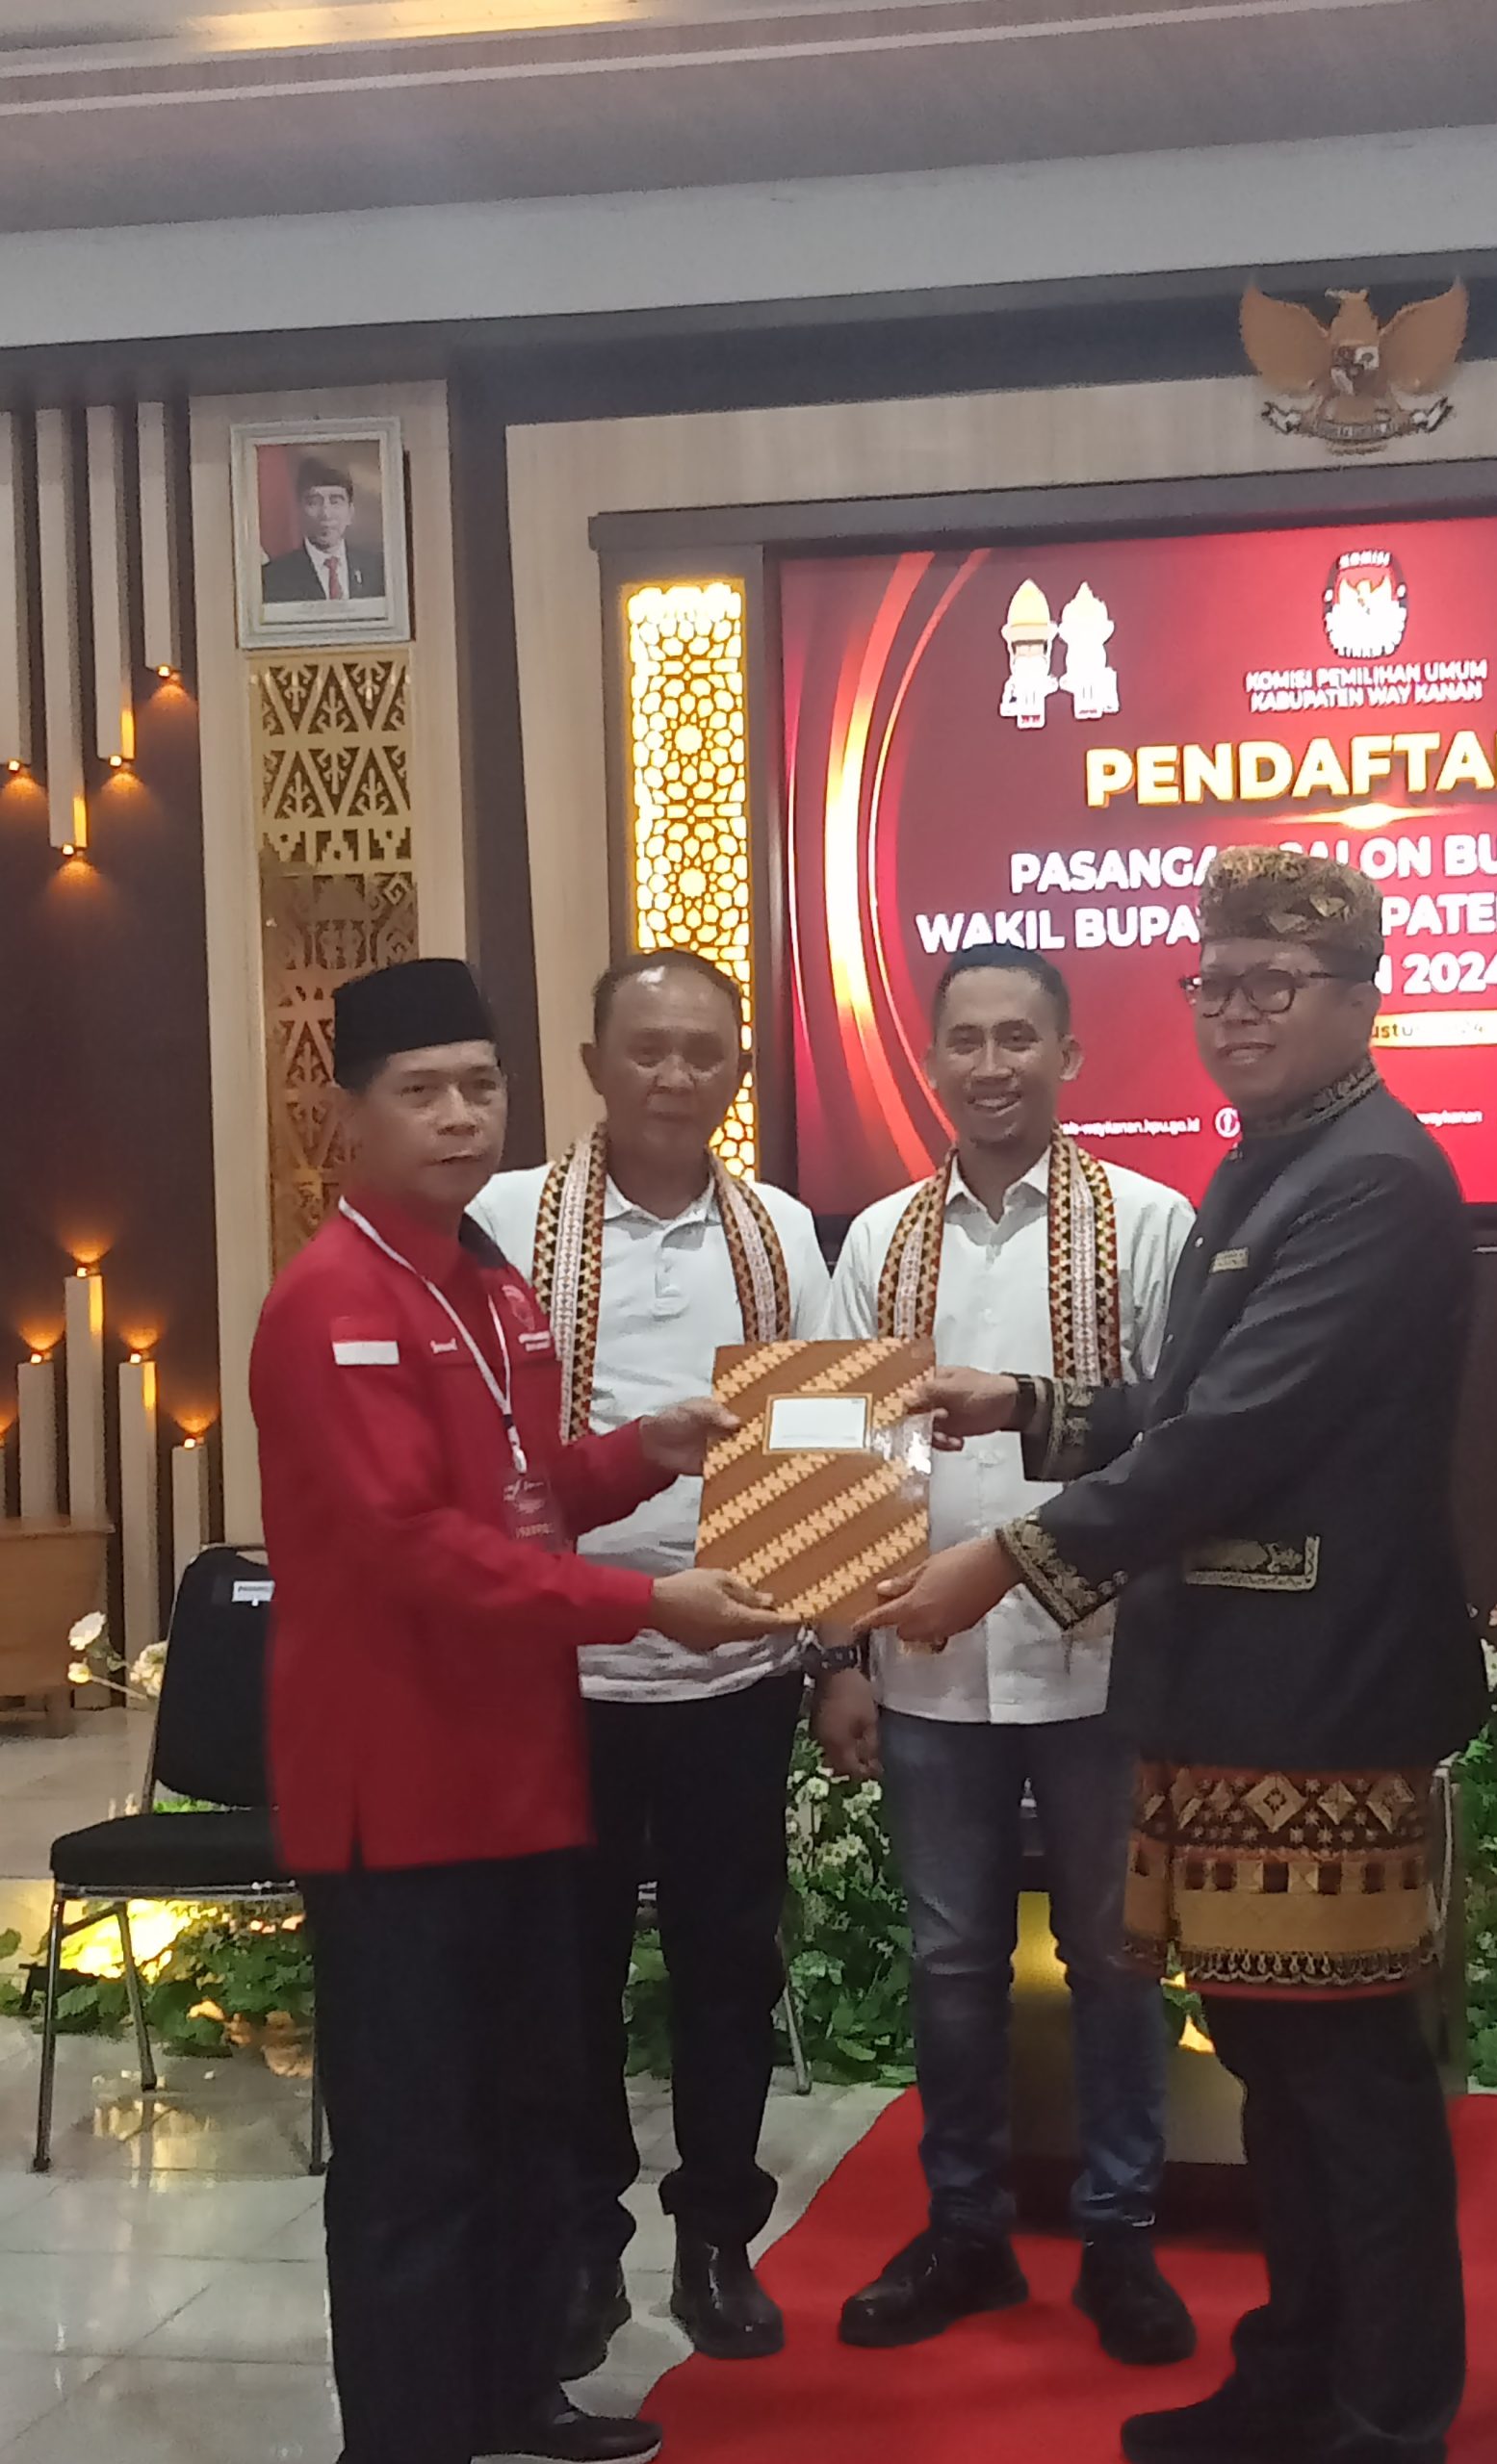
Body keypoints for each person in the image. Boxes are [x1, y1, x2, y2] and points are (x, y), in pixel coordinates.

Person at [865, 851, 1484, 2464]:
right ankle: (1294, 2372)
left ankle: (1388, 2415)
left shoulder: (1376, 1180)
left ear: (1362, 999)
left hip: (1328, 1694)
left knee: (1347, 2077)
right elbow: (1185, 1407)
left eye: (1278, 984)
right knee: (1275, 2056)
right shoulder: (1269, 1165)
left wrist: (1003, 1558)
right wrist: (1031, 1406)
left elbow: (1235, 1438)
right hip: (1237, 1691)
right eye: (1217, 984)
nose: (1238, 1014)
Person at [252, 957, 781, 2464]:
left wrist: (644, 1451)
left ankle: (504, 2394)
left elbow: (518, 1496)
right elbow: (412, 1550)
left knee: (520, 2122)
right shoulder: (332, 1300)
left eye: (481, 1087)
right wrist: (647, 1605)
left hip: (522, 1777)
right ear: (350, 1116)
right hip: (400, 1798)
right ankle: (405, 2436)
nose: (460, 1118)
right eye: (420, 1092)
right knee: (413, 2154)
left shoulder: (488, 1283)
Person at [814, 944, 1196, 2365]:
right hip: (925, 1665)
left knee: (1114, 1957)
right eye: (965, 1041)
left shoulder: (1149, 1222)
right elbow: (836, 1455)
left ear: (1069, 1056)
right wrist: (838, 1655)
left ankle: (1121, 2237)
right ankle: (966, 2231)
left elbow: (1182, 1432)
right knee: (953, 1961)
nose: (991, 1065)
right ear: (932, 1063)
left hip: (1104, 1659)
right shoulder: (878, 1240)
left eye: (1017, 1039)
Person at [471, 950, 831, 2374]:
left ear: (738, 1070)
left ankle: (718, 2237)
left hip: (736, 1669)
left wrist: (835, 1644)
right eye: (647, 1050)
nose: (676, 1077)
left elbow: (823, 1443)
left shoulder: (782, 1232)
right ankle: (582, 2241)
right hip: (559, 1673)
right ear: (593, 1065)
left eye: (703, 1053)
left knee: (726, 1964)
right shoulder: (507, 1219)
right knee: (564, 1971)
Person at [261, 456, 384, 603]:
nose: (326, 514)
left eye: (335, 502)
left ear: (350, 513)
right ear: (299, 512)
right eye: (314, 502)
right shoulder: (272, 577)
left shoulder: (379, 569)